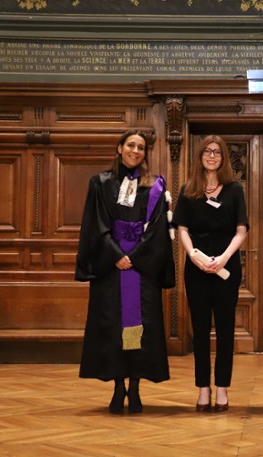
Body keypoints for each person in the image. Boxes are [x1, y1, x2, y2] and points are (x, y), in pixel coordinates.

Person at [75, 129, 175, 414]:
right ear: (119, 148)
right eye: (130, 145)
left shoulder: (154, 185)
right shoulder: (100, 183)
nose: (135, 150)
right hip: (111, 269)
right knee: (113, 327)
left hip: (142, 270)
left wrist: (136, 257)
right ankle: (118, 387)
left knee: (140, 330)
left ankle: (135, 387)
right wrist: (115, 256)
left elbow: (157, 229)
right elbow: (94, 224)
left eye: (141, 147)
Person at [172, 135, 248, 412]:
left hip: (226, 267)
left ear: (223, 157)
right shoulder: (188, 189)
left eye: (217, 152)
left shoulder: (234, 190)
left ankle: (223, 389)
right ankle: (203, 388)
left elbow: (242, 229)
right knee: (201, 330)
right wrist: (193, 255)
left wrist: (225, 258)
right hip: (197, 269)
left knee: (226, 330)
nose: (212, 155)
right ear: (200, 156)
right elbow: (182, 229)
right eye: (207, 151)